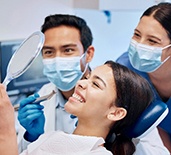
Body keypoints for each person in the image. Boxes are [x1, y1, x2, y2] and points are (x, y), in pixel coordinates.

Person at [0, 61, 157, 155]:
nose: (80, 83)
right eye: (87, 78)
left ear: (115, 113)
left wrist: (6, 130)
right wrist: (35, 136)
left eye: (95, 84)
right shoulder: (52, 137)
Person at [17, 14, 95, 151]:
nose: (58, 59)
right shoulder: (44, 94)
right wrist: (32, 136)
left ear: (88, 54)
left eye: (68, 50)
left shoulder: (108, 97)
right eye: (49, 52)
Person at [116, 2, 171, 153]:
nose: (139, 45)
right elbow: (152, 124)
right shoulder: (126, 70)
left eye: (152, 41)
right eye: (137, 35)